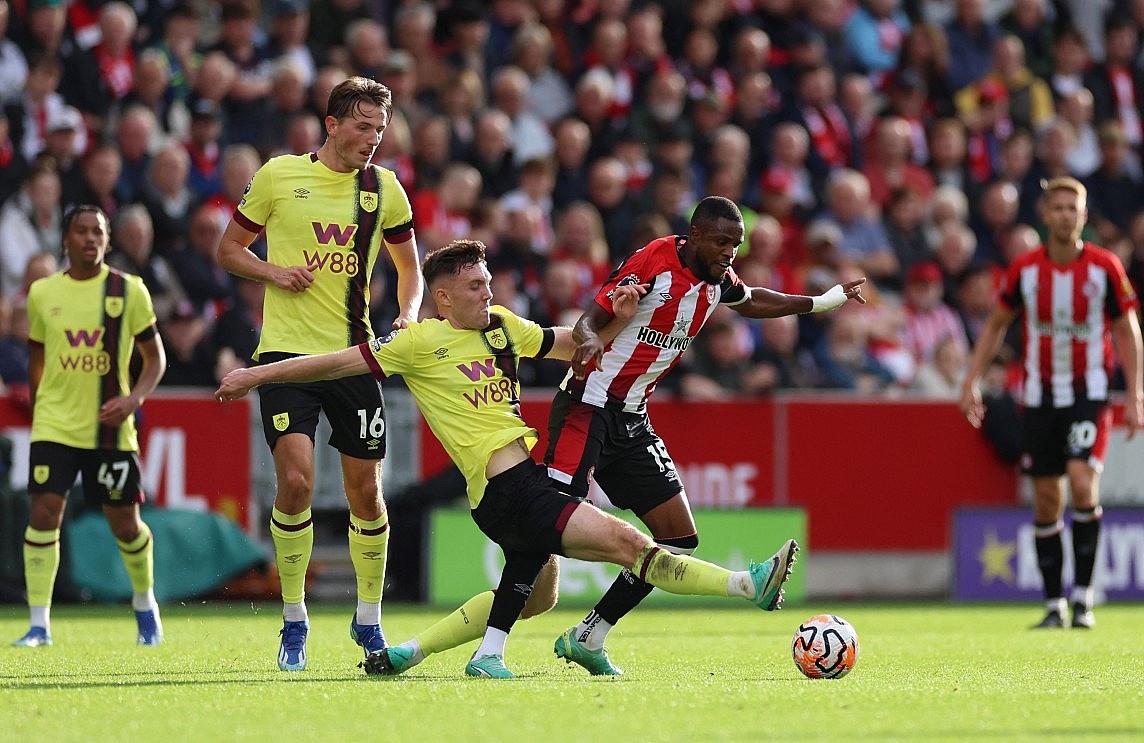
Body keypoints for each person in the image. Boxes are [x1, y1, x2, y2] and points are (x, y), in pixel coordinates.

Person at [215, 239, 808, 679]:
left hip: (520, 485)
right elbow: (331, 363)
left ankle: (409, 653)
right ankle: (745, 584)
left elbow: (567, 341)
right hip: (508, 490)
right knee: (631, 545)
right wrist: (254, 374)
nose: (488, 293)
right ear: (441, 297)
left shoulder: (500, 328)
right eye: (476, 287)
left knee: (536, 598)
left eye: (489, 282)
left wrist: (618, 316)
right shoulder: (417, 342)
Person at [540, 196, 866, 675]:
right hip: (589, 404)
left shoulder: (716, 279)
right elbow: (598, 308)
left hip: (631, 417)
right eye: (720, 242)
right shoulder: (656, 260)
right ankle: (488, 646)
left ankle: (590, 635)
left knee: (678, 537)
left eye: (735, 244)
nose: (729, 253)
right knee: (544, 527)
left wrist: (823, 301)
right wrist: (588, 335)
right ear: (693, 236)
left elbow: (751, 298)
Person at [215, 76, 423, 672]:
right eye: (362, 126)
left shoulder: (384, 190)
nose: (372, 139)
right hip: (282, 358)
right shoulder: (279, 175)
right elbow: (229, 250)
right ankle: (294, 618)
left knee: (365, 493)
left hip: (354, 358)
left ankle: (368, 616)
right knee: (299, 483)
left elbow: (409, 269)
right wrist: (276, 273)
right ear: (330, 124)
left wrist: (406, 315)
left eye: (380, 130)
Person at [959, 177, 1143, 630]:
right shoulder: (1024, 271)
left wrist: (1135, 393)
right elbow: (996, 324)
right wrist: (971, 380)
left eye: (1072, 207)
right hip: (1039, 396)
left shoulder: (1105, 267)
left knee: (1081, 482)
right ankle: (1053, 604)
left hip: (1088, 394)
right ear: (1044, 215)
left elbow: (1126, 329)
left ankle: (1083, 599)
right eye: (1056, 207)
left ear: (1083, 215)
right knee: (1046, 498)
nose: (1064, 214)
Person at [11, 205, 167, 648]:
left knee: (126, 524)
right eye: (80, 231)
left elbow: (155, 358)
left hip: (109, 428)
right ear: (65, 240)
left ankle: (144, 602)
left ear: (108, 240)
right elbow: (37, 357)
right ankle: (39, 624)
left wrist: (134, 400)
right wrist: (44, 402)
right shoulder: (42, 294)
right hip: (56, 426)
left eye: (97, 231)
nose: (89, 239)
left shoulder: (129, 291)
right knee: (43, 514)